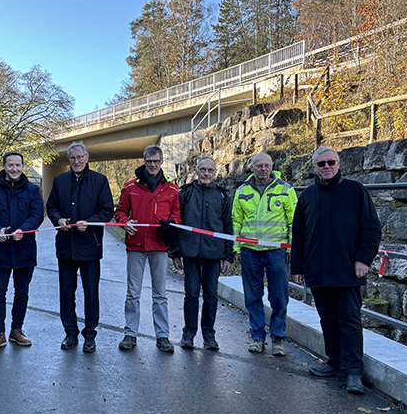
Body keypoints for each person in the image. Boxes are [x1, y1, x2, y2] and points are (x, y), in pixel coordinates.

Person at [291, 146, 382, 395]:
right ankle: (334, 362)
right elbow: (298, 235)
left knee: (350, 321)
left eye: (331, 162)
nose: (326, 166)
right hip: (317, 270)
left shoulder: (355, 191)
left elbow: (371, 228)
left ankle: (353, 372)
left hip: (347, 270)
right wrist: (297, 267)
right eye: (321, 164)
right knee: (327, 319)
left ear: (339, 164)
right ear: (314, 168)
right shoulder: (308, 196)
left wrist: (363, 259)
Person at [46, 142, 114, 352]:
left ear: (87, 157)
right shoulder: (60, 180)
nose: (76, 161)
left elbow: (107, 210)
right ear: (69, 160)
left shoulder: (100, 180)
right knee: (66, 293)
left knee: (91, 293)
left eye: (80, 157)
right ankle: (70, 333)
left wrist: (89, 222)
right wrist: (58, 220)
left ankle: (90, 335)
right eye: (72, 158)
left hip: (90, 247)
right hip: (66, 246)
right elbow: (51, 206)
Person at [115, 145, 181, 353]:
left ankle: (162, 336)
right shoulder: (130, 187)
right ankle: (130, 334)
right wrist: (125, 222)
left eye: (156, 161)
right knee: (133, 293)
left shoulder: (171, 189)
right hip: (135, 245)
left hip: (159, 246)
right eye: (149, 161)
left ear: (162, 162)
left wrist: (171, 222)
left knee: (160, 294)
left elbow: (177, 215)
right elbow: (120, 212)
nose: (152, 165)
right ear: (144, 161)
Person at [0, 151, 44, 351]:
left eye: (18, 165)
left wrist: (24, 230)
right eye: (10, 165)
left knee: (22, 293)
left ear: (23, 166)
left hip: (25, 251)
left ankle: (17, 330)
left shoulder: (33, 190)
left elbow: (37, 214)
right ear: (4, 166)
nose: (14, 169)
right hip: (0, 251)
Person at [232, 152, 297, 356]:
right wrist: (236, 248)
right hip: (250, 252)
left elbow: (293, 222)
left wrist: (290, 248)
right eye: (259, 165)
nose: (263, 169)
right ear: (251, 168)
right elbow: (236, 222)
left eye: (266, 165)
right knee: (253, 297)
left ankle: (278, 338)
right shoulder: (242, 191)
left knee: (279, 296)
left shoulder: (286, 190)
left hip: (277, 252)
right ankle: (257, 336)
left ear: (272, 167)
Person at [171, 157, 233, 350]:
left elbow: (228, 227)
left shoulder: (223, 196)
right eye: (203, 170)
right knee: (191, 295)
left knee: (211, 296)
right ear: (196, 171)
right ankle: (188, 333)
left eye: (210, 170)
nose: (206, 174)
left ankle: (209, 335)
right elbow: (174, 224)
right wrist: (174, 253)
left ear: (215, 172)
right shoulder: (186, 193)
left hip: (213, 254)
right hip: (189, 252)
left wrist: (228, 256)